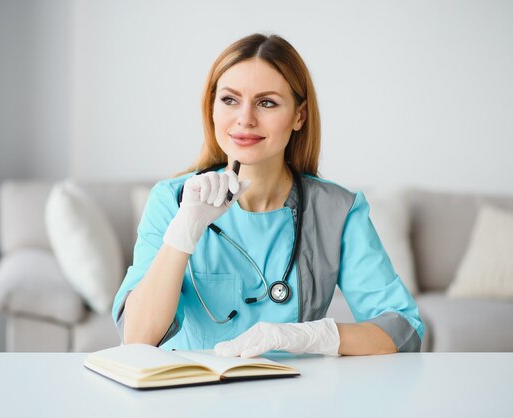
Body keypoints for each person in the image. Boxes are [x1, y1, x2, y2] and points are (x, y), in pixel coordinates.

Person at [112, 33, 425, 357]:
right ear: (212, 108)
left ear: (299, 116)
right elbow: (136, 338)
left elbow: (403, 330)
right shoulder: (172, 200)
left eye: (267, 103)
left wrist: (309, 337)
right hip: (188, 397)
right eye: (230, 100)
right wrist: (183, 232)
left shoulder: (336, 211)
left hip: (290, 396)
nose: (245, 118)